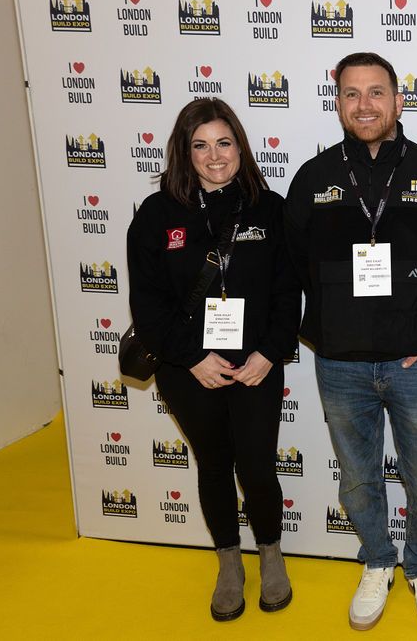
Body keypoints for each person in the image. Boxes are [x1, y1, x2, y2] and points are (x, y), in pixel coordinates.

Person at [284, 52, 417, 632]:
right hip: (340, 366)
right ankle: (376, 560)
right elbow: (290, 269)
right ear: (338, 103)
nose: (364, 105)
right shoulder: (313, 178)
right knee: (357, 479)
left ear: (398, 101)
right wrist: (316, 333)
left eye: (376, 92)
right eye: (351, 94)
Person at [127, 98, 300, 621]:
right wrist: (192, 359)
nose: (215, 155)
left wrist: (268, 353)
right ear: (184, 153)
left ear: (240, 148)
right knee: (214, 464)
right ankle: (229, 562)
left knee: (257, 465)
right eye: (200, 145)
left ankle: (270, 553)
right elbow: (148, 306)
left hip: (255, 367)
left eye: (224, 143)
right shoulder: (156, 215)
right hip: (187, 370)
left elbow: (287, 293)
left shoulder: (269, 209)